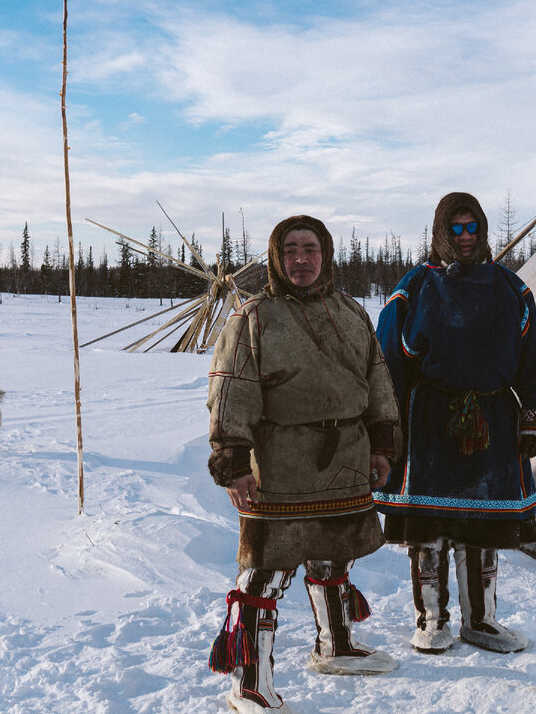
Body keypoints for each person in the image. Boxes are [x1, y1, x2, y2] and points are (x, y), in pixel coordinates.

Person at [206, 214, 400, 714]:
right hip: (280, 464)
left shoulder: (351, 312)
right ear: (276, 256)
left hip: (347, 458)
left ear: (325, 255)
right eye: (290, 249)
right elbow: (231, 391)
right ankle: (249, 682)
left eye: (310, 248)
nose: (300, 259)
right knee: (266, 571)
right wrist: (233, 461)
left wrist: (382, 443)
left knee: (334, 554)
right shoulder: (252, 316)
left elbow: (377, 381)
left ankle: (335, 646)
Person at [373, 191, 536, 655]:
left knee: (481, 521)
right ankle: (431, 619)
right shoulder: (416, 286)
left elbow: (532, 355)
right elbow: (387, 357)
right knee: (429, 524)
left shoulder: (511, 288)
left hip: (492, 416)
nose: (466, 237)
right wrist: (385, 423)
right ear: (440, 232)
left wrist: (535, 410)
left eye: (472, 227)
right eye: (456, 228)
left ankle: (482, 620)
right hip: (429, 417)